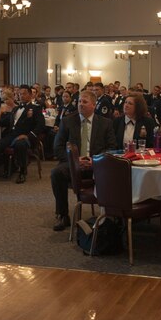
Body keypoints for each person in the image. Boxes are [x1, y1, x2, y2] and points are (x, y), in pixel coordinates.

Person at [50, 90, 116, 231]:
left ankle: (112, 215)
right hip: (74, 165)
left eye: (84, 102)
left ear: (93, 105)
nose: (81, 104)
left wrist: (95, 160)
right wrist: (74, 160)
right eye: (79, 101)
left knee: (117, 172)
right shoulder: (68, 121)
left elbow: (112, 147)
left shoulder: (105, 123)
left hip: (96, 165)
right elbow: (57, 147)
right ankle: (62, 214)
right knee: (56, 173)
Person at [0, 85, 45, 184]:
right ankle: (4, 168)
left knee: (20, 144)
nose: (21, 96)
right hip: (12, 135)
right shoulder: (16, 109)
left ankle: (22, 172)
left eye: (24, 94)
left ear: (30, 95)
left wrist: (28, 136)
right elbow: (6, 122)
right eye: (19, 94)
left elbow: (40, 126)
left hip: (26, 137)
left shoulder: (35, 108)